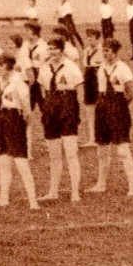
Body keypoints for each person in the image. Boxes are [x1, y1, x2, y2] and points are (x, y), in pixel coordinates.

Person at [0, 52, 42, 212]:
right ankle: (3, 198)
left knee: (21, 162)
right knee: (3, 162)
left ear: (9, 65)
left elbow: (27, 109)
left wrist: (23, 127)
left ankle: (33, 200)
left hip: (14, 118)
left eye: (1, 64)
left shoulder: (19, 81)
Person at [87, 40, 133, 197]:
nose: (105, 53)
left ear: (115, 52)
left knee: (122, 150)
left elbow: (130, 94)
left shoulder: (123, 69)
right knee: (102, 149)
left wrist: (118, 108)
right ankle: (101, 184)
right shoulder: (101, 67)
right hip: (102, 108)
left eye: (108, 51)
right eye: (104, 51)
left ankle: (132, 186)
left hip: (117, 108)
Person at [38, 39, 84, 203]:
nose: (52, 52)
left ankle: (75, 192)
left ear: (62, 50)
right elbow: (43, 87)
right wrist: (48, 106)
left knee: (71, 152)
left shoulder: (71, 67)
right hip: (51, 107)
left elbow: (79, 89)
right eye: (50, 49)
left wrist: (75, 110)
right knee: (54, 154)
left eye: (55, 49)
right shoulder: (44, 66)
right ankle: (53, 191)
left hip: (67, 106)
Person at [79, 26, 102, 148]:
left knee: (101, 109)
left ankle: (102, 136)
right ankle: (92, 138)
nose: (90, 41)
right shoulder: (86, 50)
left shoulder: (102, 50)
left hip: (98, 79)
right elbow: (84, 66)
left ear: (97, 39)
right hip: (88, 80)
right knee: (89, 110)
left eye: (92, 38)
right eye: (88, 38)